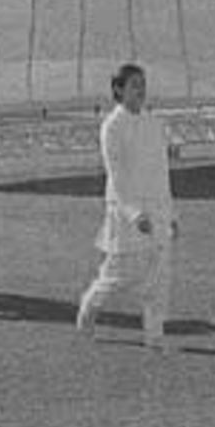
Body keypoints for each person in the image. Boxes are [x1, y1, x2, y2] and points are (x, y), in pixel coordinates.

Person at [74, 64, 178, 349]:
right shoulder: (112, 126)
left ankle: (154, 334)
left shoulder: (154, 123)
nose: (141, 90)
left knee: (160, 275)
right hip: (126, 210)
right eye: (134, 85)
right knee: (119, 275)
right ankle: (89, 309)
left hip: (158, 208)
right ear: (119, 90)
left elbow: (161, 172)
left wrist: (171, 214)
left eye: (143, 84)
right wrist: (134, 213)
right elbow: (116, 175)